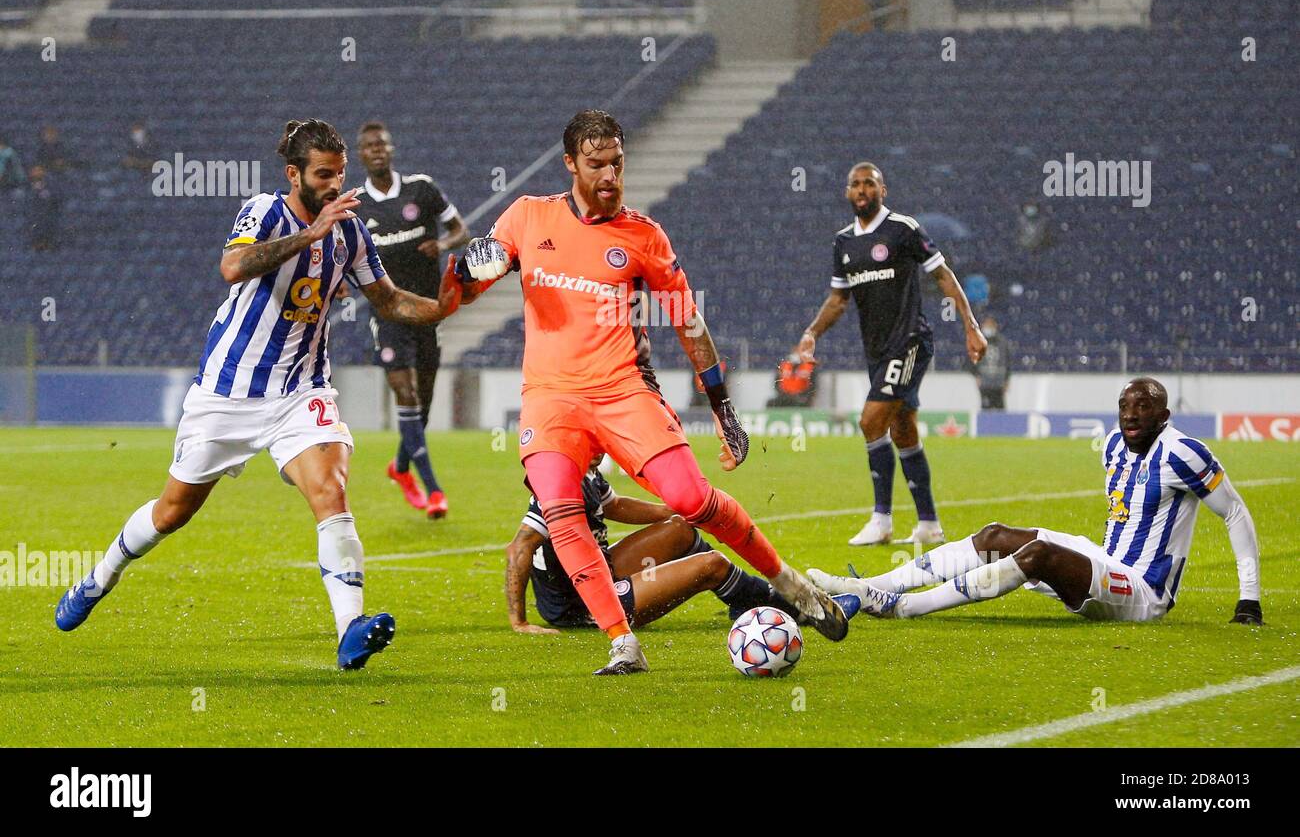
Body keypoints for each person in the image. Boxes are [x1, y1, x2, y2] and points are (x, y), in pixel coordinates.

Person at [54, 118, 464, 669]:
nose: (335, 185)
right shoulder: (264, 210)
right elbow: (232, 266)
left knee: (330, 489)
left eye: (340, 174)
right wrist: (308, 234)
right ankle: (100, 577)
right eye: (324, 174)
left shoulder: (350, 231)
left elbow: (388, 302)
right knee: (172, 512)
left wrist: (439, 308)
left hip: (300, 391)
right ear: (294, 174)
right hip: (228, 392)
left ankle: (350, 629)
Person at [456, 109, 848, 675]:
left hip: (623, 391)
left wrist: (722, 407)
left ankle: (791, 586)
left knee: (690, 501)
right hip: (550, 397)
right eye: (596, 165)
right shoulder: (526, 216)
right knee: (563, 513)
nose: (610, 174)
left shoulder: (643, 236)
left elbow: (689, 324)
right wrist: (467, 269)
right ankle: (622, 642)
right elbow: (471, 284)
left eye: (617, 162)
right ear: (570, 164)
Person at [811, 377, 1264, 625]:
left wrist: (1249, 599)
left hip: (1143, 592)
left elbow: (1236, 513)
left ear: (1163, 416)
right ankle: (881, 584)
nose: (1130, 414)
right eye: (1125, 406)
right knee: (995, 535)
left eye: (1143, 408)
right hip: (1106, 562)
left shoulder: (1184, 453)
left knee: (1039, 555)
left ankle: (904, 607)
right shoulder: (1112, 444)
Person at [795, 162, 986, 547]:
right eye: (855, 184)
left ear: (883, 190)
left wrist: (971, 325)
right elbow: (838, 298)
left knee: (870, 422)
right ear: (847, 192)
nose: (862, 189)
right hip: (877, 350)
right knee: (903, 429)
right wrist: (811, 333)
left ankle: (881, 520)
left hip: (911, 341)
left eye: (870, 183)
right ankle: (929, 523)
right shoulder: (843, 242)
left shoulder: (903, 228)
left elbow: (942, 274)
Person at [505, 455, 848, 633]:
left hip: (601, 571)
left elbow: (614, 506)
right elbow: (520, 547)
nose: (600, 448)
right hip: (585, 603)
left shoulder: (585, 469)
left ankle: (742, 600)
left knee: (681, 527)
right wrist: (519, 622)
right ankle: (781, 604)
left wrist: (670, 508)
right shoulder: (561, 481)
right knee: (711, 564)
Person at [355, 121, 469, 518]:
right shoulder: (356, 206)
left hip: (426, 310)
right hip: (386, 314)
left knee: (424, 402)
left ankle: (401, 467)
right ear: (361, 154)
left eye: (382, 144)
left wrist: (441, 243)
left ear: (391, 148)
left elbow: (461, 231)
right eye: (369, 146)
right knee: (407, 395)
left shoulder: (422, 189)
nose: (377, 150)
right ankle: (435, 491)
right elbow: (342, 252)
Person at [970, 314, 1012, 408]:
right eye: (987, 325)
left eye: (990, 325)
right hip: (985, 382)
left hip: (998, 382)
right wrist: (976, 374)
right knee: (986, 407)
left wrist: (1006, 379)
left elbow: (1007, 362)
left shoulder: (1002, 342)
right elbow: (971, 360)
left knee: (999, 408)